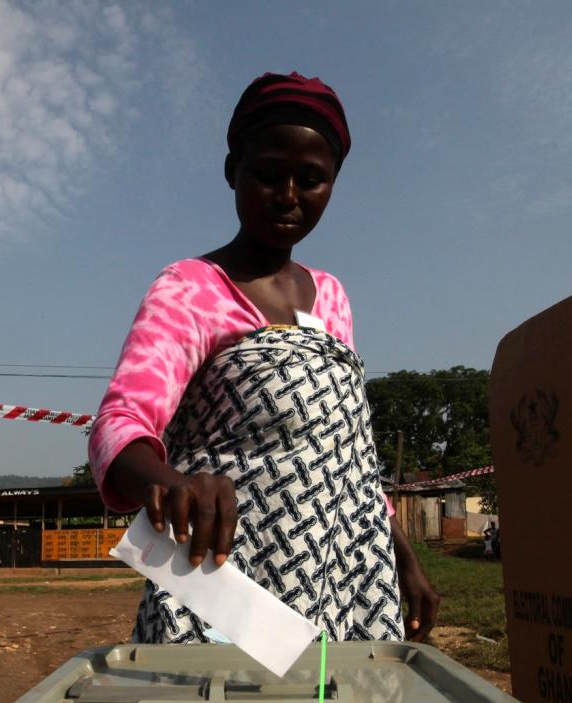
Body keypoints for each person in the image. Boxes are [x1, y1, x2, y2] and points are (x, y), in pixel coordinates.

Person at [89, 71, 439, 644]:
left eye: (312, 179)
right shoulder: (192, 288)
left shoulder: (333, 298)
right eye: (270, 174)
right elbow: (118, 425)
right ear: (233, 172)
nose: (290, 196)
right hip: (227, 592)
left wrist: (404, 560)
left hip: (343, 583)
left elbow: (350, 456)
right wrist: (172, 482)